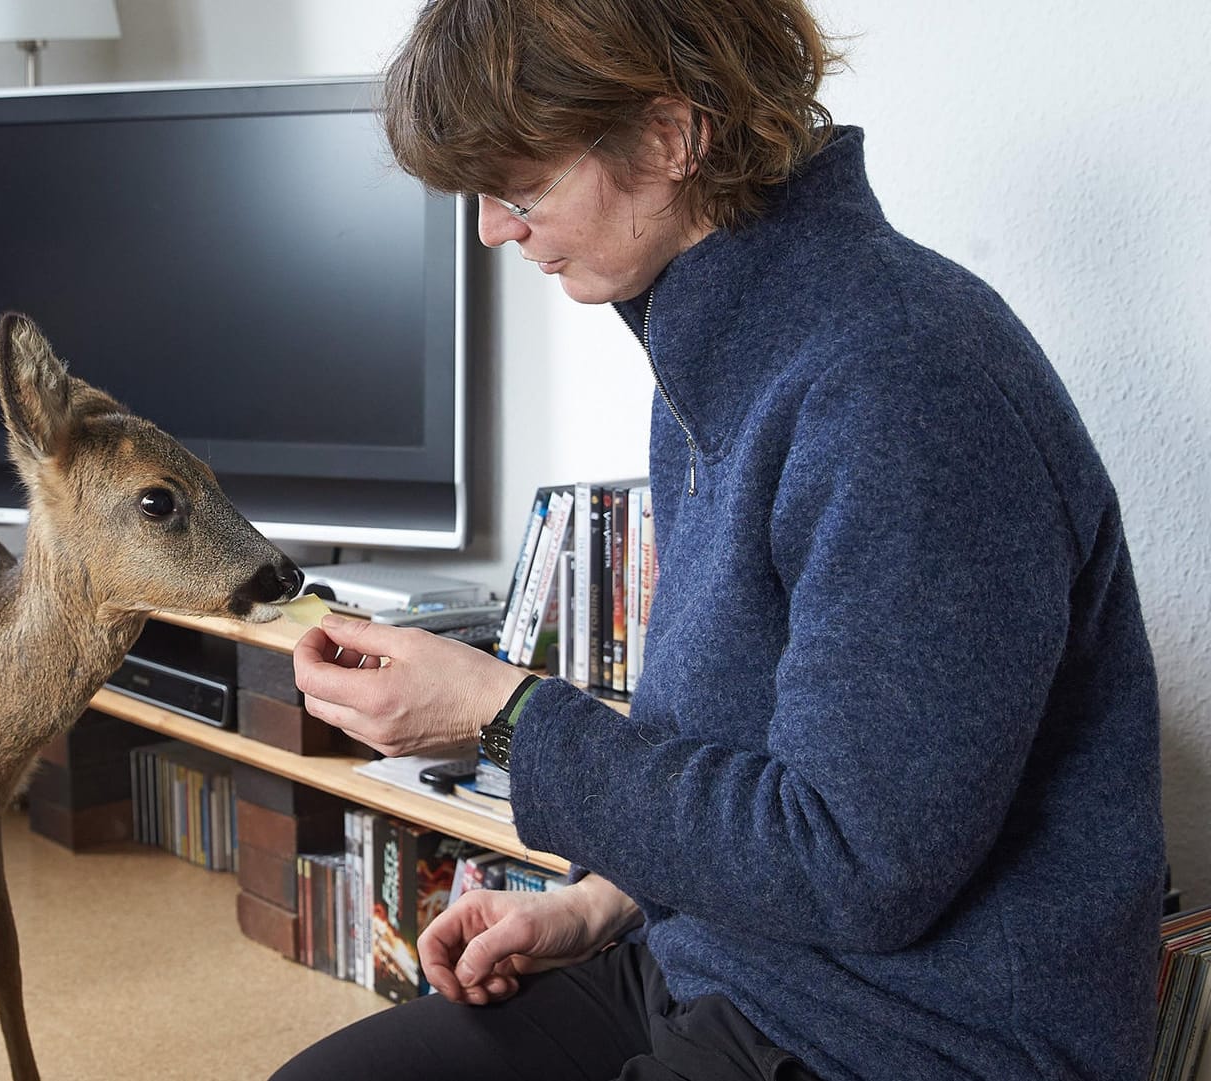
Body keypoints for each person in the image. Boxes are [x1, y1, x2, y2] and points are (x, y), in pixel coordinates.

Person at [279, 2, 1164, 1079]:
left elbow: (853, 865)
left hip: (903, 1037)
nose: (494, 229)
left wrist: (499, 713)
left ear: (668, 135)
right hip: (719, 959)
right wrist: (602, 901)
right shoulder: (722, 344)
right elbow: (751, 746)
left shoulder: (905, 387)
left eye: (522, 185)